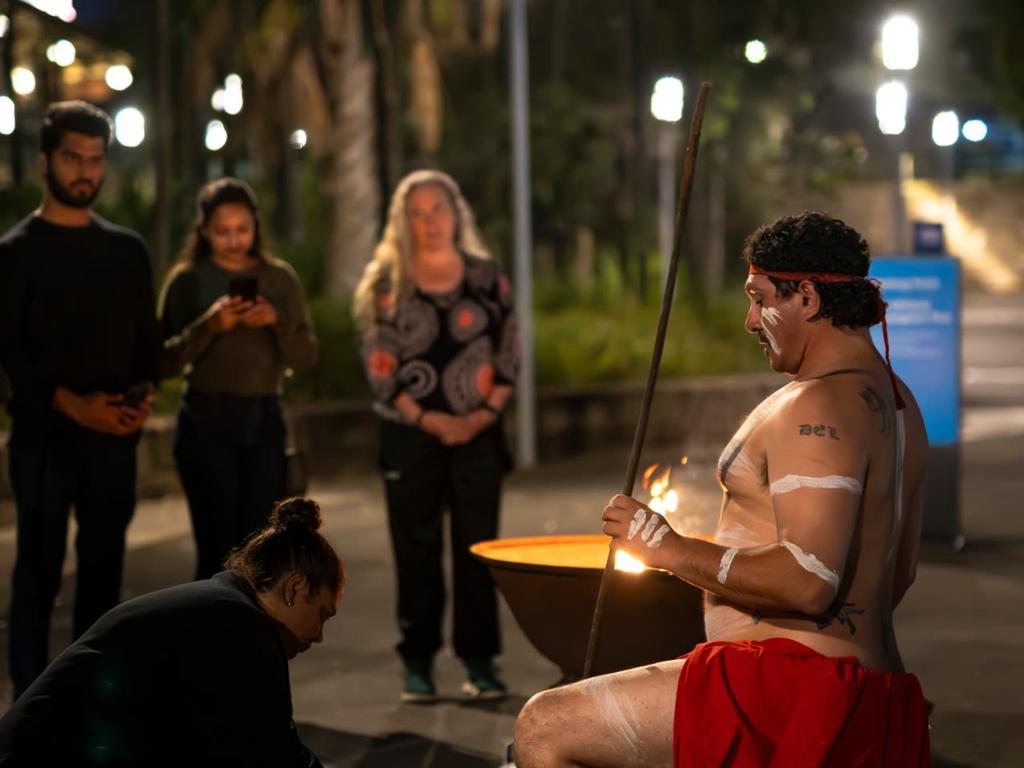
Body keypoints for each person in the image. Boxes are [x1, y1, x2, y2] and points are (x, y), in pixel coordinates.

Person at [514, 212, 931, 767]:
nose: (750, 321)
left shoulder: (818, 406)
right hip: (869, 690)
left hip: (793, 690)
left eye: (760, 300)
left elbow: (810, 579)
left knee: (546, 725)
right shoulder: (901, 405)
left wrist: (669, 549)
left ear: (806, 298)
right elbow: (897, 574)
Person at [0, 101, 160, 699]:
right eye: (73, 157)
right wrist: (69, 403)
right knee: (36, 577)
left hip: (113, 442)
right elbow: (8, 356)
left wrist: (140, 400)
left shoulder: (128, 251)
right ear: (45, 161)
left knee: (103, 579)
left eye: (96, 159)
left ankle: (92, 703)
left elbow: (148, 341)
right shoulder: (16, 252)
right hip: (45, 441)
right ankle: (27, 709)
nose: (85, 170)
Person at [0, 496, 342, 767]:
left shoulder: (221, 608)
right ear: (295, 588)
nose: (319, 635)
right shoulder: (240, 628)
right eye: (323, 614)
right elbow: (275, 753)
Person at [353, 169, 519, 702]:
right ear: (402, 221)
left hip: (480, 436)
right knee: (415, 552)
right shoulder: (387, 284)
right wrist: (430, 420)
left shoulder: (487, 277)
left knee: (478, 551)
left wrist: (479, 416)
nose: (429, 222)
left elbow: (510, 353)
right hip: (410, 438)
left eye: (437, 209)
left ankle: (480, 662)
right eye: (417, 212)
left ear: (456, 214)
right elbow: (381, 366)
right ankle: (418, 662)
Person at [159, 178, 317, 580]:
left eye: (242, 229)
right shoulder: (188, 279)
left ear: (256, 226)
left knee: (262, 546)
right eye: (222, 231)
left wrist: (275, 321)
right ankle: (212, 632)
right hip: (205, 418)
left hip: (261, 416)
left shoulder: (279, 278)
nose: (233, 240)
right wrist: (209, 325)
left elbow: (306, 355)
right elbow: (161, 361)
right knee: (215, 546)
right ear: (204, 230)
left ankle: (256, 635)